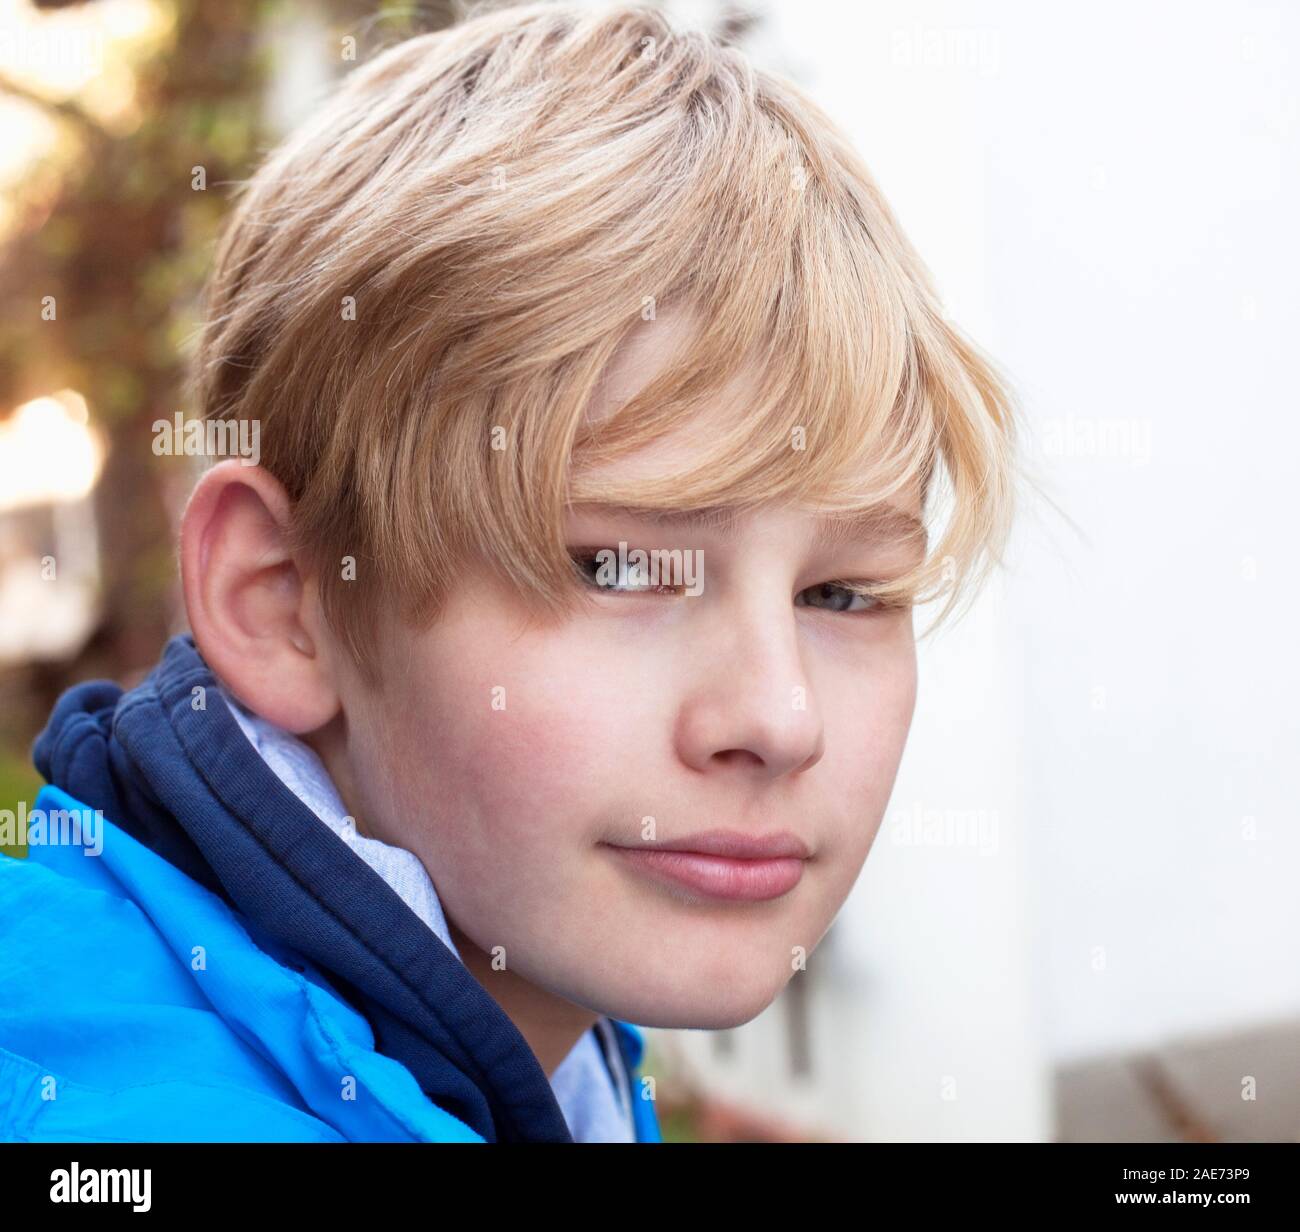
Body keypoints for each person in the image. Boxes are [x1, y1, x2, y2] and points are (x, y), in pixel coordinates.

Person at [0, 1, 1018, 1142]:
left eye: (840, 592)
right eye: (623, 567)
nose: (780, 719)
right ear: (285, 602)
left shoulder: (509, 1027)